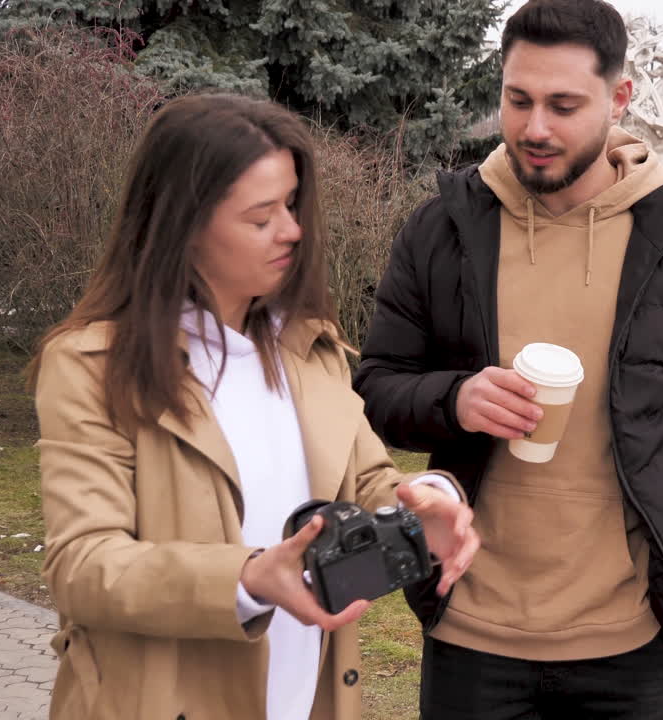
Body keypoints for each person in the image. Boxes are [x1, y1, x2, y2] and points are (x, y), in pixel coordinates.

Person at [353, 1, 663, 718]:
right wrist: (453, 400)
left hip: (630, 642)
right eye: (518, 100)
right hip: (472, 630)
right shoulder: (445, 227)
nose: (535, 128)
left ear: (619, 100)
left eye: (563, 104)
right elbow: (373, 391)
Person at [29, 94, 479, 720]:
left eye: (291, 204)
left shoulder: (310, 346)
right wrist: (244, 579)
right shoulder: (93, 365)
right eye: (261, 216)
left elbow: (372, 484)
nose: (292, 230)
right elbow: (82, 565)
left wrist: (430, 501)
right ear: (181, 227)